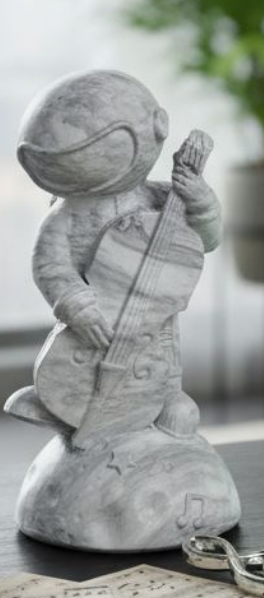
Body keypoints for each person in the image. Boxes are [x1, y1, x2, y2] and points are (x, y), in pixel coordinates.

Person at [6, 69, 221, 437]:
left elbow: (206, 240)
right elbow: (50, 266)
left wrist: (200, 201)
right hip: (91, 332)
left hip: (154, 334)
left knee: (174, 403)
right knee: (79, 379)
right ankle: (65, 400)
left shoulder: (158, 197)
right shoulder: (66, 216)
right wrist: (77, 305)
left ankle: (160, 401)